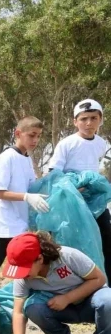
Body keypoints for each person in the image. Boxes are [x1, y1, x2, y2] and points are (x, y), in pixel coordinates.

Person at [4, 232, 111, 334]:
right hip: (62, 309)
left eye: (23, 269)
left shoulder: (68, 256)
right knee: (32, 307)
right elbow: (18, 312)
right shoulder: (23, 277)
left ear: (40, 259)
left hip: (90, 304)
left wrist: (67, 298)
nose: (20, 275)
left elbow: (99, 279)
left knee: (108, 299)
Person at [48, 99, 111, 278]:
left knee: (105, 238)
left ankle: (104, 282)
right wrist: (75, 189)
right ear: (75, 121)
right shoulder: (66, 144)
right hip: (70, 203)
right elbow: (54, 173)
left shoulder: (101, 143)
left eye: (93, 118)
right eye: (83, 119)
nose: (88, 123)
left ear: (100, 119)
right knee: (67, 245)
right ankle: (67, 281)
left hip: (95, 203)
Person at [0, 117, 47, 281]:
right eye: (32, 135)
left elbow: (31, 186)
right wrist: (26, 197)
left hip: (19, 221)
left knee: (26, 265)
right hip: (6, 222)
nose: (36, 140)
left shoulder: (26, 159)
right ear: (18, 133)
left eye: (39, 136)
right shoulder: (7, 158)